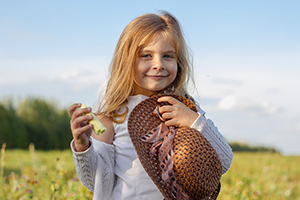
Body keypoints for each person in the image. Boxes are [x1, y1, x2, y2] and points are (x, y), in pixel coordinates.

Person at [68, 11, 233, 200]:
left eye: (168, 56)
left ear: (179, 62)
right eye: (146, 55)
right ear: (127, 61)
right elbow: (95, 181)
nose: (158, 64)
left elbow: (224, 161)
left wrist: (193, 121)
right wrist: (83, 146)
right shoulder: (114, 115)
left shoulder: (185, 109)